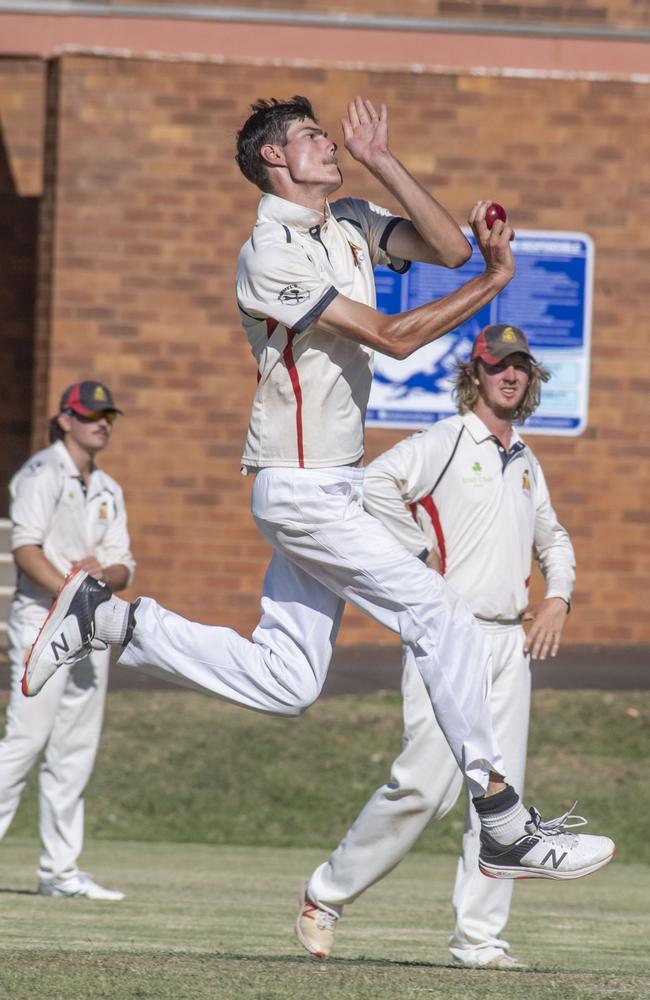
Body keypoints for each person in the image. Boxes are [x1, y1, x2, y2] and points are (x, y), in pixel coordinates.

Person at [22, 97, 613, 894]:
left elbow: (446, 246)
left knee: (289, 681)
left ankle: (109, 617)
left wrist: (384, 162)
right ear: (274, 160)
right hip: (300, 489)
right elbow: (395, 338)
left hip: (330, 484)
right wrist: (497, 280)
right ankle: (501, 818)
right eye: (310, 137)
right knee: (441, 614)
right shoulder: (269, 252)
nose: (326, 144)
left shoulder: (351, 218)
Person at [296, 323, 577, 966]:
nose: (510, 375)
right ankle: (324, 895)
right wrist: (417, 557)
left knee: (499, 802)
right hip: (449, 636)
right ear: (474, 373)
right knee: (425, 787)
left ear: (531, 377)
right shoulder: (446, 442)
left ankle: (479, 939)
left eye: (520, 367)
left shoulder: (526, 459)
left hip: (510, 641)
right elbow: (373, 486)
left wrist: (558, 595)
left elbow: (552, 537)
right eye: (497, 365)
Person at [1, 380, 134, 899]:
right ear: (64, 420)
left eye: (108, 415)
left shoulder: (109, 489)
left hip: (88, 630)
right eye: (91, 414)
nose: (102, 422)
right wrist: (71, 594)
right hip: (40, 622)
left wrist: (105, 574)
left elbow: (124, 565)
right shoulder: (41, 472)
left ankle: (59, 872)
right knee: (26, 740)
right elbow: (25, 549)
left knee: (74, 748)